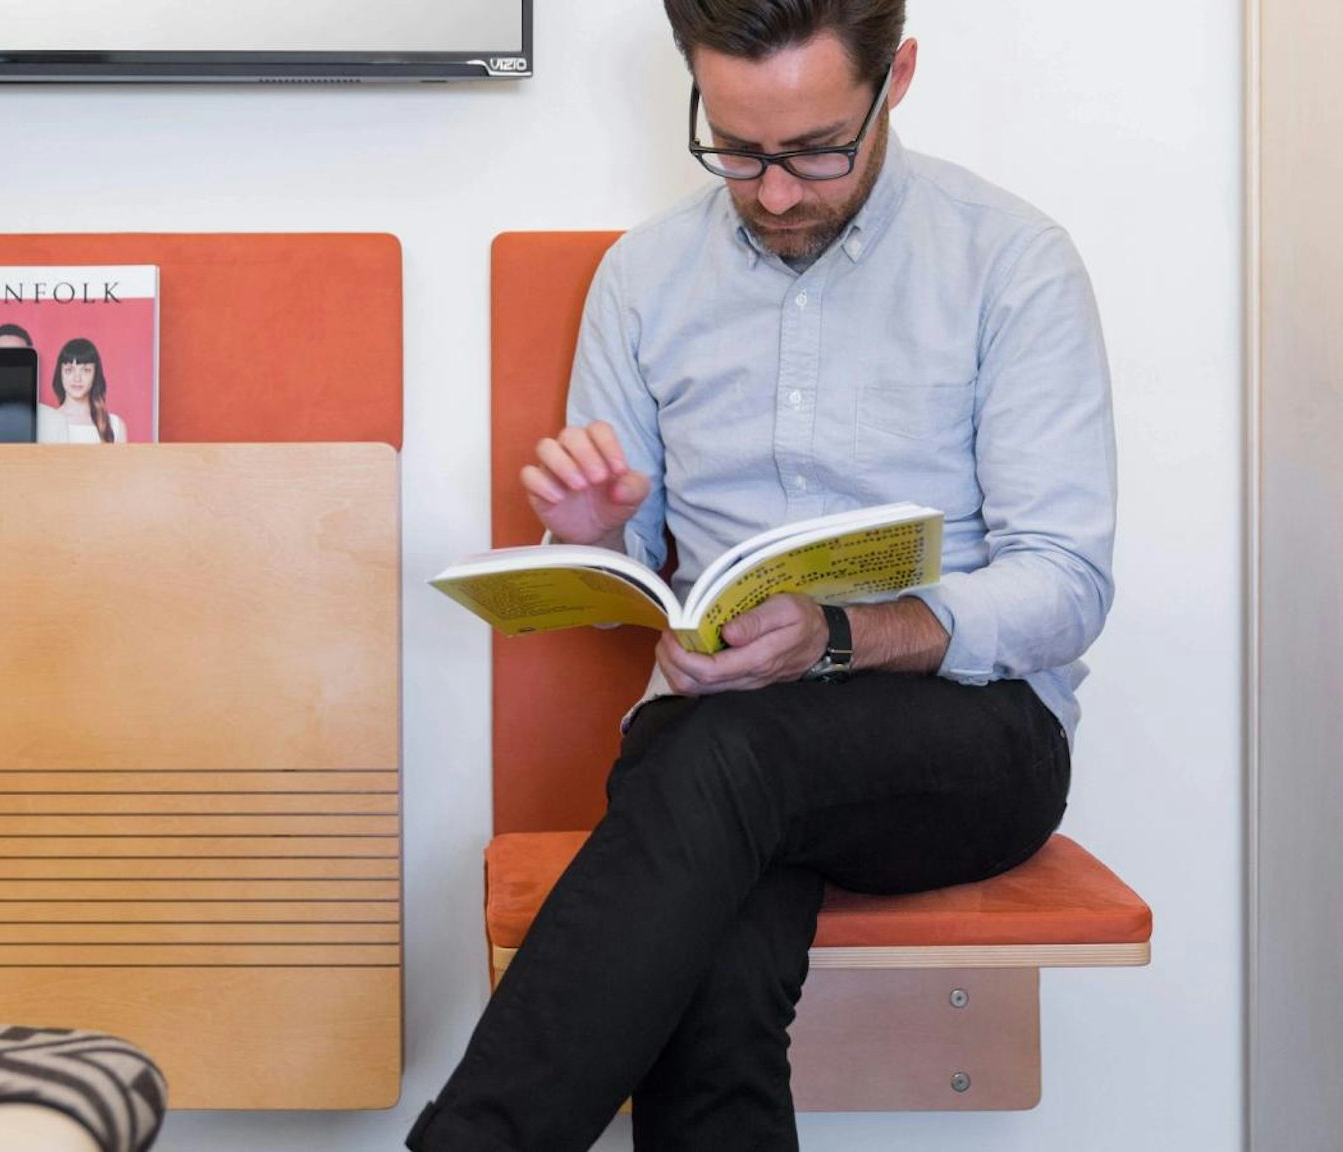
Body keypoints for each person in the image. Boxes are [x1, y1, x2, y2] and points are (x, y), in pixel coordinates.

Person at [409, 3, 1115, 1151]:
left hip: (975, 743)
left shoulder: (1011, 263)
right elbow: (620, 582)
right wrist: (597, 538)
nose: (777, 193)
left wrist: (841, 633)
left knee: (715, 758)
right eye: (738, 150)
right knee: (714, 977)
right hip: (721, 753)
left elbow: (1067, 584)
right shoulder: (644, 279)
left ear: (900, 80)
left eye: (816, 150)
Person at [36, 337, 127, 444]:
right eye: (69, 370)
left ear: (95, 374)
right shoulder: (44, 423)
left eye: (86, 370)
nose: (77, 378)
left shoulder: (115, 426)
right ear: (60, 374)